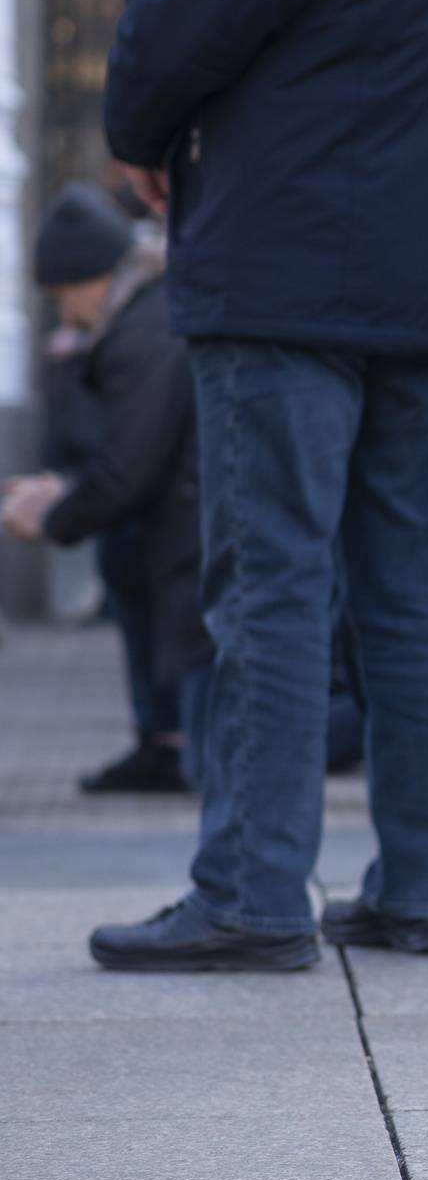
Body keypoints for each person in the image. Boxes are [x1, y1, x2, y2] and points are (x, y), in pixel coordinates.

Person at [88, 0, 428, 972]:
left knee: (269, 580)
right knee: (407, 588)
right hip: (419, 263)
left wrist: (136, 129)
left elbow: (189, 8)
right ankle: (423, 886)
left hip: (285, 248)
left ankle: (251, 889)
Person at [2, 182, 211, 787]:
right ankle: (165, 740)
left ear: (92, 277)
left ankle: (425, 709)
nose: (66, 315)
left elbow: (128, 471)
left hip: (196, 540)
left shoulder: (145, 329)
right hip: (190, 529)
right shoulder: (147, 315)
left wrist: (54, 515)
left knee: (232, 742)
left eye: (64, 296)